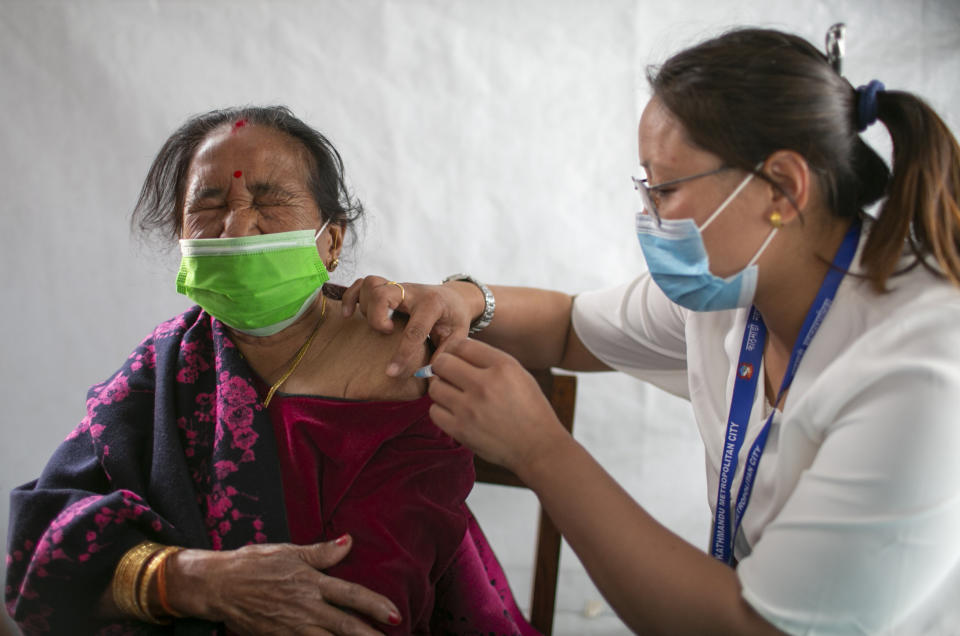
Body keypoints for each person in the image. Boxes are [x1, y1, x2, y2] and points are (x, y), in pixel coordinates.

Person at [342, 27, 960, 635]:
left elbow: (756, 626)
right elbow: (567, 329)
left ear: (783, 187)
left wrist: (540, 449)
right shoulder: (741, 288)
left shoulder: (919, 373)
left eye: (664, 188)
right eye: (645, 187)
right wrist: (465, 299)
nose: (648, 216)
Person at [5, 106, 537, 636]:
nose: (236, 226)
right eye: (208, 205)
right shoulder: (167, 363)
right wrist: (193, 580)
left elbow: (360, 610)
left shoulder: (400, 367)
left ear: (331, 242)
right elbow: (40, 546)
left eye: (268, 200)